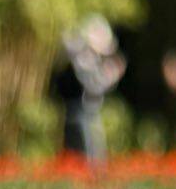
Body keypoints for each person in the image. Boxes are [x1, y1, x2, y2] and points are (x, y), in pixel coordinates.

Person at [53, 15, 125, 165]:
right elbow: (91, 84)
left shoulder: (89, 57)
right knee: (85, 151)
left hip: (90, 111)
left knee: (94, 150)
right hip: (80, 111)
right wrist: (108, 76)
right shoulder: (82, 57)